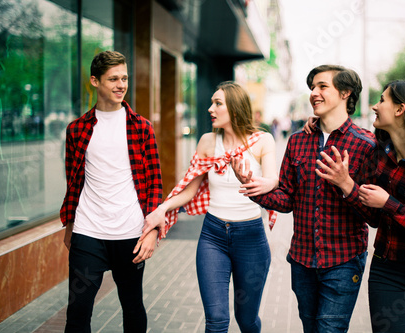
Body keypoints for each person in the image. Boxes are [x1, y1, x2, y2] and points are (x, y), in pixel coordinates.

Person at [233, 65, 376, 332]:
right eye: (312, 87)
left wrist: (347, 185)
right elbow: (287, 198)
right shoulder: (298, 141)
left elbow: (375, 216)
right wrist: (253, 187)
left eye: (323, 86)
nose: (314, 93)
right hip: (302, 260)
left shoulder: (366, 145)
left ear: (345, 93)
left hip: (344, 261)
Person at [314, 80, 405, 333]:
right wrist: (347, 184)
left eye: (382, 100)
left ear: (400, 109)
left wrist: (390, 204)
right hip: (387, 268)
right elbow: (373, 218)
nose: (375, 105)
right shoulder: (380, 155)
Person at [140, 81, 278, 333]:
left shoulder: (262, 141)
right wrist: (162, 209)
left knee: (246, 320)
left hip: (251, 238)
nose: (209, 109)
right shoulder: (207, 142)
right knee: (216, 320)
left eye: (217, 103)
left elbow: (272, 181)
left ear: (235, 109)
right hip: (213, 236)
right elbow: (191, 189)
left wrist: (248, 181)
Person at [59, 50, 162, 333]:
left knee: (132, 307)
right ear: (95, 81)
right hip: (88, 232)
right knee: (78, 311)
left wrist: (152, 230)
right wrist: (70, 225)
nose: (121, 85)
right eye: (113, 78)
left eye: (124, 78)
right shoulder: (77, 130)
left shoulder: (142, 128)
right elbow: (74, 183)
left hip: (130, 234)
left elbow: (154, 183)